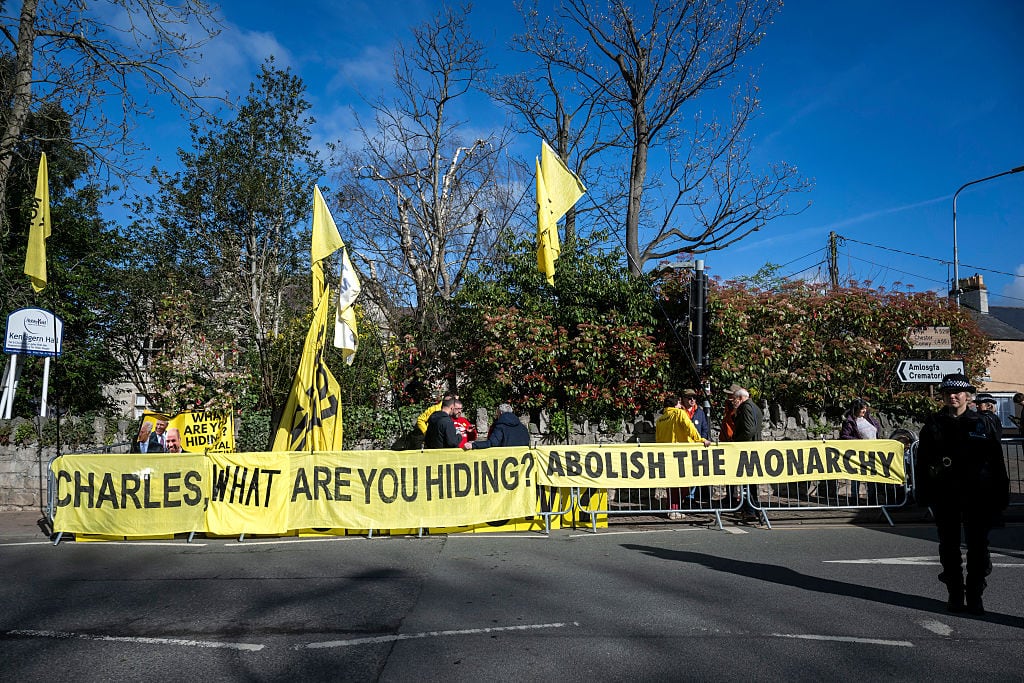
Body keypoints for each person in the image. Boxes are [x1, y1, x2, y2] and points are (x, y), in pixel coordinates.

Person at [915, 373, 1009, 615]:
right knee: (949, 546)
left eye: (957, 392)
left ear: (968, 395)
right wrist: (923, 493)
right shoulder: (934, 424)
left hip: (978, 495)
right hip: (946, 495)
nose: (952, 396)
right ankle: (955, 594)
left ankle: (975, 594)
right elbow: (923, 461)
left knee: (978, 547)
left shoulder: (982, 423)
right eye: (947, 393)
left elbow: (997, 461)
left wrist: (1001, 494)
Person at [655, 395, 711, 520]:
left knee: (672, 484)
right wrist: (700, 439)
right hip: (681, 454)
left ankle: (672, 508)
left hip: (666, 454)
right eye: (679, 403)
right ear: (677, 404)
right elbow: (690, 427)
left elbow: (658, 438)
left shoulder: (661, 419)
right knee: (684, 484)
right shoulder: (679, 413)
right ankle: (674, 510)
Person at [839, 398, 881, 502]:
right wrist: (859, 441)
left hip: (872, 451)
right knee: (856, 475)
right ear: (856, 409)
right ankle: (854, 499)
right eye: (862, 409)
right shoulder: (849, 422)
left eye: (865, 408)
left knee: (872, 475)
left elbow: (876, 431)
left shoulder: (870, 419)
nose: (864, 411)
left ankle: (872, 498)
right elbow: (844, 436)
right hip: (858, 452)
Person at [731, 386, 764, 518]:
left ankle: (750, 510)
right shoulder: (755, 407)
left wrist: (736, 440)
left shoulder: (745, 407)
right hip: (753, 448)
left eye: (734, 399)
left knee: (747, 481)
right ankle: (751, 509)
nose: (733, 402)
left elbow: (749, 430)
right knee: (750, 481)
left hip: (747, 449)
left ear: (740, 398)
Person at [465, 403, 530, 449]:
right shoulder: (523, 427)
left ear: (500, 413)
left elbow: (492, 443)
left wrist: (474, 445)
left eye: (497, 413)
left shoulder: (500, 426)